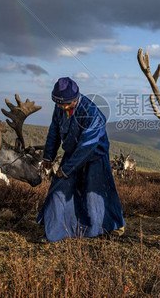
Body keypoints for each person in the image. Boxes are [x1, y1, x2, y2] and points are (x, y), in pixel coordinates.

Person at [37, 77, 125, 242]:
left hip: (94, 156)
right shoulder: (60, 108)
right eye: (57, 103)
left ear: (74, 100)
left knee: (96, 195)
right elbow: (54, 131)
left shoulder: (91, 113)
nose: (60, 107)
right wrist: (48, 156)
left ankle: (112, 226)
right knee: (59, 189)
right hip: (72, 154)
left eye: (63, 104)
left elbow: (87, 146)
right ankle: (54, 229)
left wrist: (67, 169)